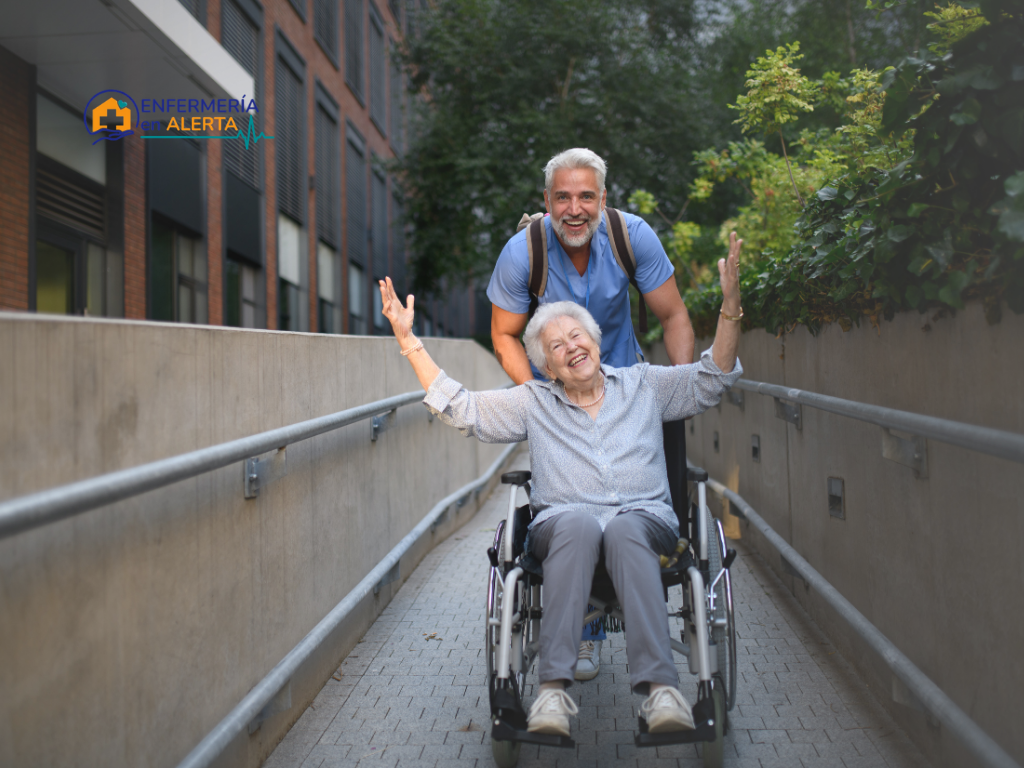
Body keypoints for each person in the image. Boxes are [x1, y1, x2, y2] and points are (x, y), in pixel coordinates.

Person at [376, 231, 744, 736]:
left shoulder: (644, 385)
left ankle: (660, 692)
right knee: (573, 523)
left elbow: (713, 379)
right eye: (557, 345)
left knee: (625, 528)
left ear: (595, 342)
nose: (572, 347)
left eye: (578, 336)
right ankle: (552, 695)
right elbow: (462, 408)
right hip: (563, 529)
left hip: (644, 524)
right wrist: (408, 341)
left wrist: (730, 310)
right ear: (547, 366)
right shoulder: (533, 402)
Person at [487, 147, 696, 678]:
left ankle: (637, 586)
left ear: (602, 200)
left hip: (628, 391)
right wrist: (543, 397)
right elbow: (505, 334)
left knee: (642, 501)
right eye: (563, 197)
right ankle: (580, 623)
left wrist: (684, 387)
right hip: (558, 388)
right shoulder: (522, 253)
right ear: (547, 202)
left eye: (586, 196)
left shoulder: (632, 237)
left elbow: (672, 315)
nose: (574, 208)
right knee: (571, 505)